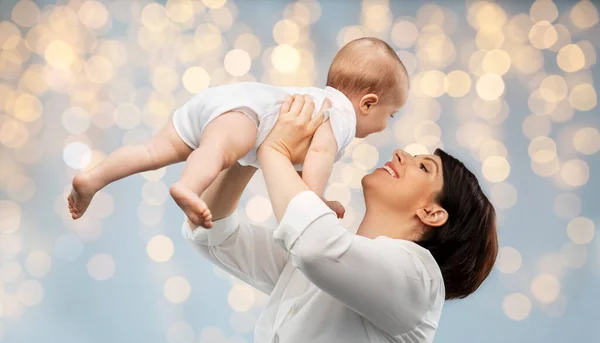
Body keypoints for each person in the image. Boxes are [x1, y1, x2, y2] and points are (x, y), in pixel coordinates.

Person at [183, 95, 498, 343]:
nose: (401, 154)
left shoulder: (419, 280)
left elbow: (315, 247)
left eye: (423, 166)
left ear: (432, 213)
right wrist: (254, 144)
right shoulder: (321, 264)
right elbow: (213, 234)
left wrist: (275, 148)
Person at [67, 37, 409, 228]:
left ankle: (92, 179)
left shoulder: (317, 101)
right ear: (367, 103)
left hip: (221, 100)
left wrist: (316, 196)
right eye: (389, 115)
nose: (384, 126)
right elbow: (318, 158)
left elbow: (292, 167)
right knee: (216, 152)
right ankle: (189, 185)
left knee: (152, 152)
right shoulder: (342, 117)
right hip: (246, 116)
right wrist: (313, 201)